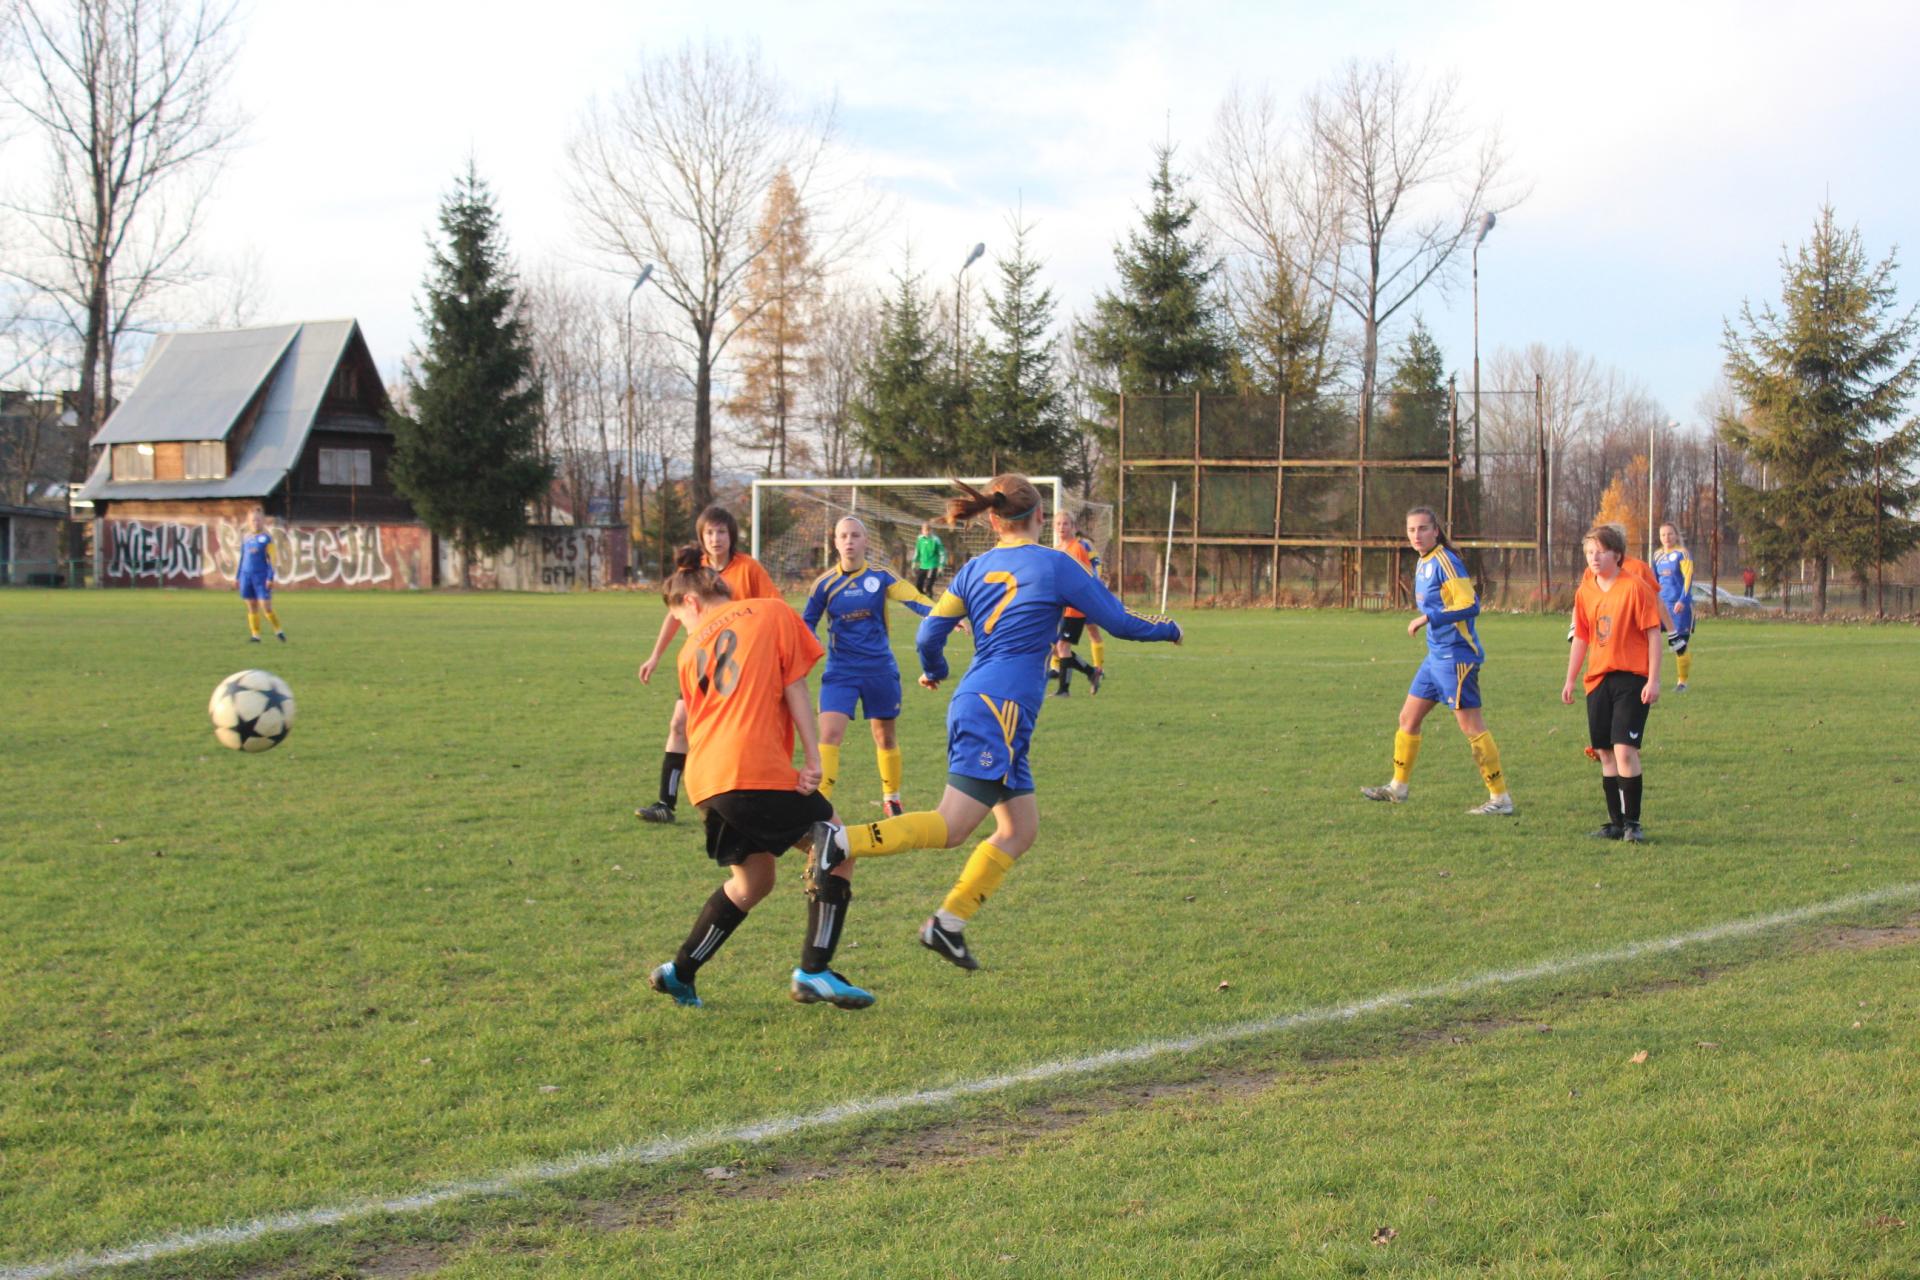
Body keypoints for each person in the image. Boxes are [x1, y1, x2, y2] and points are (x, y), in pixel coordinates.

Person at [806, 474, 1183, 972]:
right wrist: (1169, 628)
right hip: (999, 708)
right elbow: (1116, 620)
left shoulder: (973, 569)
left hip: (979, 701)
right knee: (951, 825)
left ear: (991, 519)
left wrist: (936, 670)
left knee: (1020, 829)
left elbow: (928, 633)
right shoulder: (1055, 565)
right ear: (1041, 518)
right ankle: (843, 840)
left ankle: (949, 923)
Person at [646, 546, 874, 1011]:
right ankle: (815, 970)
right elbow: (794, 685)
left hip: (708, 780)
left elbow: (693, 722)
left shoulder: (690, 651)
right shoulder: (771, 610)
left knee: (753, 880)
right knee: (835, 841)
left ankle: (679, 972)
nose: (685, 628)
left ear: (690, 603)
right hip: (751, 768)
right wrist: (813, 759)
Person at [1360, 506, 1513, 815]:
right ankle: (1397, 788)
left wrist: (1429, 617)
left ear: (1436, 531)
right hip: (1435, 657)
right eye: (1411, 530)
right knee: (1408, 719)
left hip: (1457, 657)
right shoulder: (1423, 561)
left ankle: (1500, 800)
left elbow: (1471, 605)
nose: (1416, 535)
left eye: (1422, 529)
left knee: (1472, 728)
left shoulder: (1445, 561)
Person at [636, 506, 780, 824]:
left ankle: (730, 799)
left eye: (722, 532)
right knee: (678, 724)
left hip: (737, 667)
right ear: (702, 537)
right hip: (701, 663)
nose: (716, 539)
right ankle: (665, 803)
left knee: (727, 733)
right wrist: (655, 655)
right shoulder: (695, 572)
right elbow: (675, 610)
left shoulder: (748, 569)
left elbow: (774, 608)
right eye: (710, 533)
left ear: (732, 535)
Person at [802, 515, 939, 819]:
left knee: (885, 737)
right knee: (830, 735)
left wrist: (941, 615)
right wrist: (805, 652)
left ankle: (891, 797)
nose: (849, 541)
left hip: (879, 669)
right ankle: (820, 807)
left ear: (865, 541)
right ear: (835, 543)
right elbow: (806, 624)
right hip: (840, 672)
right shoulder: (824, 584)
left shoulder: (880, 576)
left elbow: (913, 597)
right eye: (843, 536)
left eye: (854, 535)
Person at [1564, 524, 1664, 843]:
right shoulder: (1585, 592)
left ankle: (1634, 823)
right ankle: (1616, 823)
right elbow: (1582, 636)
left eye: (1600, 551)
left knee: (1625, 750)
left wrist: (1654, 678)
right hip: (1598, 680)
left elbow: (1652, 634)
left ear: (1617, 555)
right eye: (1589, 552)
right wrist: (1570, 679)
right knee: (1605, 753)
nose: (1594, 557)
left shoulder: (1635, 587)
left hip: (1631, 679)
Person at [1048, 511, 1106, 697]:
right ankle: (1091, 673)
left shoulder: (1078, 548)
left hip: (1075, 606)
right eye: (1058, 524)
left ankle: (1064, 690)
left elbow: (1086, 576)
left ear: (1073, 527)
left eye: (1065, 524)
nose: (1061, 527)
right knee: (1057, 648)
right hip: (1061, 607)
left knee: (1063, 647)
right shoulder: (1056, 549)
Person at [1653, 523, 1696, 691]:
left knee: (1679, 644)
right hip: (1660, 606)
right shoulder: (1657, 555)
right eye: (1663, 535)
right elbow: (1653, 581)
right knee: (1651, 641)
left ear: (1676, 536)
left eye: (1670, 534)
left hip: (1679, 607)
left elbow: (1688, 579)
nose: (1666, 538)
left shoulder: (1682, 554)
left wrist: (1682, 601)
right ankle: (1652, 679)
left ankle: (1682, 682)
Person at [236, 507, 287, 643]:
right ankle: (255, 635)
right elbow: (242, 558)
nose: (256, 522)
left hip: (261, 576)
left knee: (266, 607)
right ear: (248, 521)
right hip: (246, 576)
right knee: (251, 606)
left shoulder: (266, 539)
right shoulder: (246, 538)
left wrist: (270, 577)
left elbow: (272, 559)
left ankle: (278, 631)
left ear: (263, 521)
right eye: (253, 520)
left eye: (258, 519)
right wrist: (238, 577)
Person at [912, 521, 947, 596]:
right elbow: (917, 551)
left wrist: (941, 566)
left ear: (931, 530)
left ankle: (930, 602)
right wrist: (914, 563)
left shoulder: (936, 540)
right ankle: (923, 603)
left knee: (928, 586)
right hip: (922, 566)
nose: (926, 532)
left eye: (928, 530)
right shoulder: (920, 539)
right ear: (922, 530)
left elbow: (942, 553)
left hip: (932, 566)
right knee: (918, 586)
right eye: (925, 530)